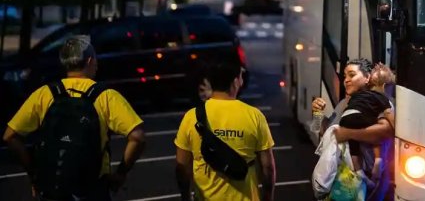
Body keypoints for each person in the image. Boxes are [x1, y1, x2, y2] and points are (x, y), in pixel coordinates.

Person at [3, 35, 146, 201]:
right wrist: (121, 173)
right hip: (92, 189)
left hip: (51, 188)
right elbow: (137, 137)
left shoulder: (45, 93)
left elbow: (10, 136)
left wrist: (34, 173)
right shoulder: (106, 96)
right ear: (90, 61)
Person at [175, 60, 276, 201]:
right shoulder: (254, 116)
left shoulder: (192, 116)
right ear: (236, 82)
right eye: (241, 76)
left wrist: (185, 197)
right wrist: (267, 197)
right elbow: (268, 167)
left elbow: (183, 167)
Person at [312, 59, 395, 201]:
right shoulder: (344, 104)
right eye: (345, 76)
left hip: (369, 186)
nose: (346, 80)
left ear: (367, 77)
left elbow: (386, 131)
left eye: (352, 75)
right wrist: (317, 114)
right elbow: (324, 132)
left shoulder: (377, 102)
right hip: (341, 183)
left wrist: (348, 133)